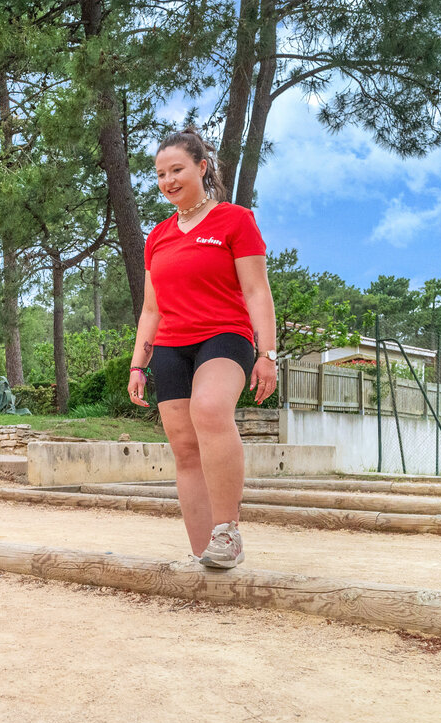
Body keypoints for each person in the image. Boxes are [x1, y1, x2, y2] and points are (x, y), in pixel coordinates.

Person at [127, 126, 278, 569]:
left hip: (225, 337)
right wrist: (139, 365)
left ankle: (227, 533)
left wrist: (267, 354)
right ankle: (203, 557)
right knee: (185, 449)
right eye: (160, 174)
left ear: (202, 167)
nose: (168, 180)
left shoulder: (234, 220)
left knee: (210, 411)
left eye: (177, 169)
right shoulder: (157, 236)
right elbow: (151, 310)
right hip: (172, 346)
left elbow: (256, 292)